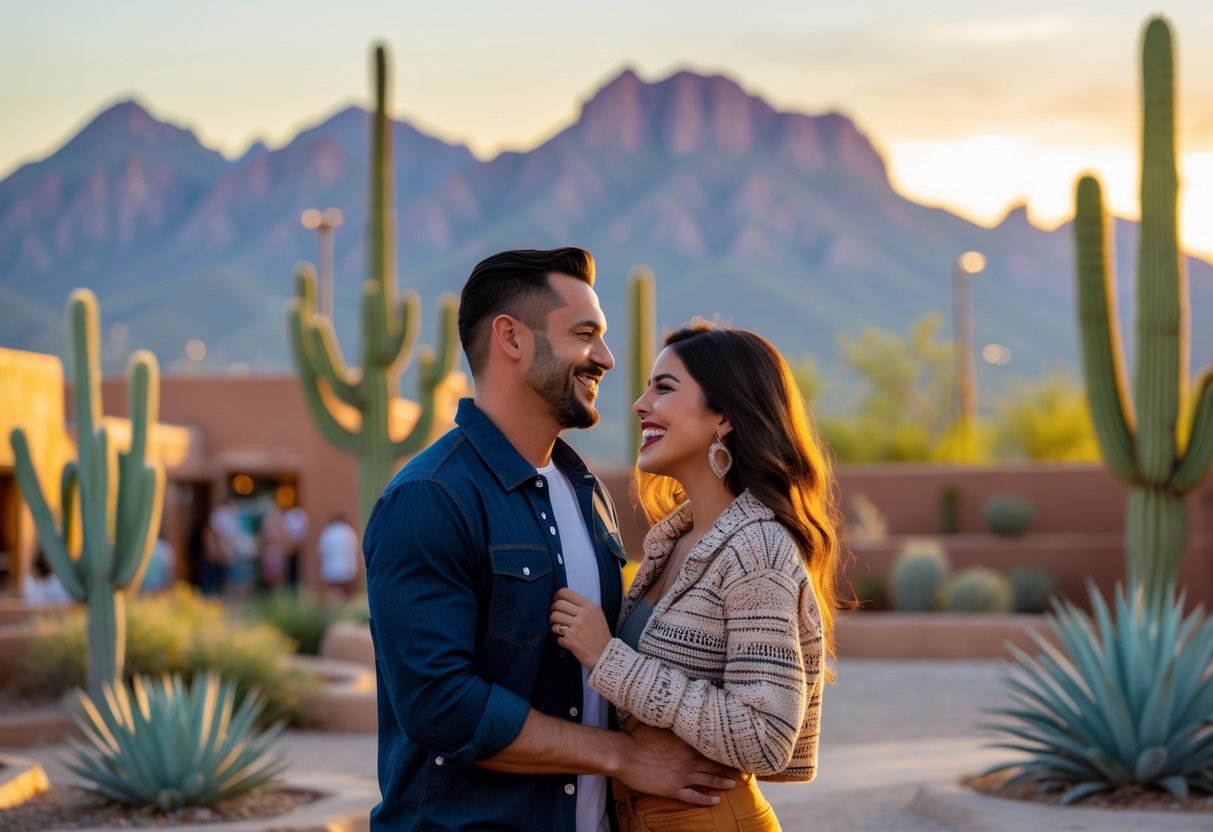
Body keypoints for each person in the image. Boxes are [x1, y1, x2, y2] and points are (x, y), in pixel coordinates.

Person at [363, 248, 736, 832]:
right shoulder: (430, 498)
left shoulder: (587, 493)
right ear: (511, 338)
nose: (607, 359)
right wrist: (623, 757)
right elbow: (442, 706)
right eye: (585, 334)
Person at [550, 322, 846, 831]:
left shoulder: (757, 551)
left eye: (664, 388)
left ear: (724, 417)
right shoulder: (676, 543)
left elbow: (766, 736)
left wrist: (608, 657)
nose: (641, 405)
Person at [317, 513, 359, 600]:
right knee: (347, 594)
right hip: (347, 568)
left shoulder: (327, 531)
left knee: (333, 595)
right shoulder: (348, 531)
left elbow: (321, 550)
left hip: (331, 569)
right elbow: (355, 548)